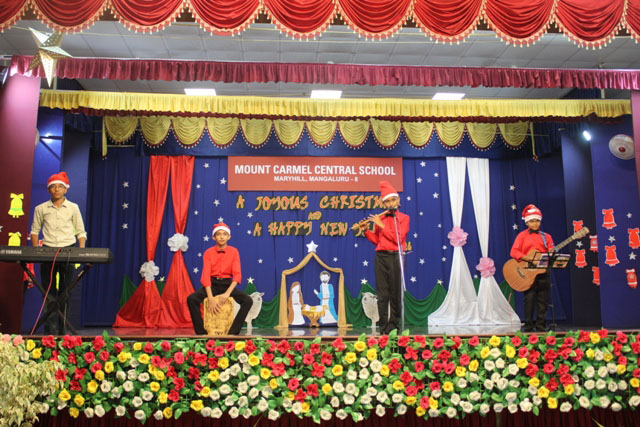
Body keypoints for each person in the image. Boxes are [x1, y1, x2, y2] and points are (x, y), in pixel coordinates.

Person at [30, 171, 87, 335]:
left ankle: (62, 332)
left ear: (66, 189)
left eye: (60, 186)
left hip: (68, 250)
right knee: (48, 293)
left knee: (65, 293)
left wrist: (81, 251)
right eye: (53, 187)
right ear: (49, 189)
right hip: (48, 250)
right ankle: (49, 332)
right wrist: (36, 251)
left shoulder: (73, 208)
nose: (56, 189)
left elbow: (81, 232)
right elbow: (34, 231)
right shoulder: (40, 208)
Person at [359, 181, 409, 335]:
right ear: (384, 204)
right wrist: (366, 231)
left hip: (396, 256)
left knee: (395, 293)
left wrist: (381, 225)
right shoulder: (381, 219)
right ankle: (383, 327)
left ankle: (394, 326)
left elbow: (398, 238)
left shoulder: (404, 218)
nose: (390, 203)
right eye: (387, 201)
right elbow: (378, 241)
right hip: (381, 257)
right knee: (382, 294)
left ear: (398, 200)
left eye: (393, 200)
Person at [187, 222, 252, 335]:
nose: (222, 237)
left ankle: (233, 332)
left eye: (224, 234)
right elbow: (205, 276)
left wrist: (227, 293)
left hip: (227, 285)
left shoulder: (234, 251)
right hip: (212, 284)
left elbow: (237, 275)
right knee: (191, 299)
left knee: (248, 301)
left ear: (229, 236)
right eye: (219, 234)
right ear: (214, 237)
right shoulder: (208, 253)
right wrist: (210, 298)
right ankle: (201, 333)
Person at [510, 204, 555, 332]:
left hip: (542, 272)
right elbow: (514, 252)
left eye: (537, 221)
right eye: (532, 221)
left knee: (543, 300)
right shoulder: (522, 236)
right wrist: (528, 258)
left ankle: (541, 326)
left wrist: (551, 253)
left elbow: (551, 250)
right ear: (527, 222)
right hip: (528, 272)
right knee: (529, 299)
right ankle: (529, 325)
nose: (535, 224)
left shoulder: (547, 237)